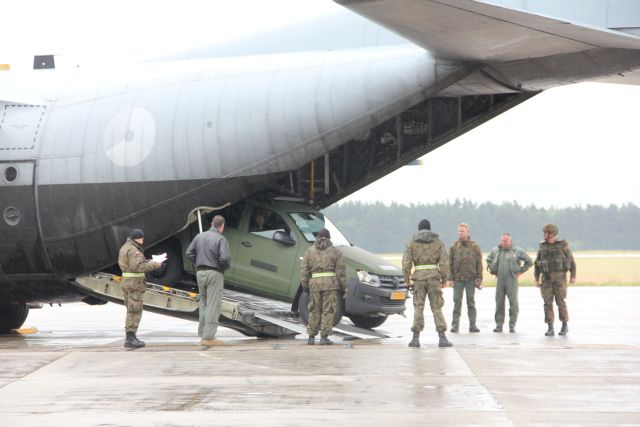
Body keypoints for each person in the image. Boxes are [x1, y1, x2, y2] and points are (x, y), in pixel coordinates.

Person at [402, 219, 452, 348]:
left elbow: (406, 263)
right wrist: (445, 279)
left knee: (418, 307)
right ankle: (442, 338)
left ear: (419, 229)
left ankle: (415, 339)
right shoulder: (438, 242)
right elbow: (444, 263)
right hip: (434, 278)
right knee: (436, 307)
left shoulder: (412, 243)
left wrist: (407, 280)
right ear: (430, 229)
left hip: (418, 279)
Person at [186, 215, 231, 346]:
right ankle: (209, 337)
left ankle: (202, 333)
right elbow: (224, 259)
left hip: (200, 273)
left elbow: (189, 253)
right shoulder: (221, 238)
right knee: (213, 304)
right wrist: (224, 267)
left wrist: (198, 262)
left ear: (212, 223)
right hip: (214, 273)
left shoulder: (199, 236)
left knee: (204, 303)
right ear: (222, 226)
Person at [300, 228, 347, 345]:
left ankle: (311, 337)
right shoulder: (336, 252)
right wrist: (344, 287)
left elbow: (304, 270)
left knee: (313, 310)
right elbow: (340, 272)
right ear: (329, 238)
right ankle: (324, 337)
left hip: (314, 285)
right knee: (328, 310)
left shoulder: (309, 251)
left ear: (317, 237)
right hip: (330, 285)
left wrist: (305, 286)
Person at [118, 228, 163, 348]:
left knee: (131, 308)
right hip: (134, 284)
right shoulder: (134, 251)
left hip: (128, 283)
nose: (143, 240)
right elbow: (137, 267)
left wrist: (147, 261)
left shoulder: (125, 247)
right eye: (142, 238)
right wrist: (155, 265)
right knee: (135, 310)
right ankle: (130, 338)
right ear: (138, 238)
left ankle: (131, 336)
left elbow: (131, 264)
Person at [534, 224, 577, 336]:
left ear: (552, 233)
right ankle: (550, 327)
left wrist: (573, 275)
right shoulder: (542, 247)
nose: (543, 234)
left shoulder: (563, 246)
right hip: (546, 279)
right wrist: (536, 279)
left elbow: (571, 261)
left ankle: (564, 325)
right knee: (547, 304)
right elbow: (537, 264)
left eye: (546, 232)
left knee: (560, 302)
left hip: (560, 280)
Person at [486, 233, 533, 333]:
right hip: (500, 280)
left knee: (513, 303)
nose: (503, 243)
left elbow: (529, 261)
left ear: (510, 241)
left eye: (506, 241)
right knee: (499, 303)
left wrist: (521, 271)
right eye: (502, 240)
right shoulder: (496, 250)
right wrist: (492, 268)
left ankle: (512, 325)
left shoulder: (517, 251)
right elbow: (488, 259)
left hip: (511, 279)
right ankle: (499, 325)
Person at [448, 223, 483, 333]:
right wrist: (450, 278)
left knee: (470, 302)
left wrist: (479, 278)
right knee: (457, 302)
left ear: (467, 232)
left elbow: (479, 263)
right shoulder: (454, 246)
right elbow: (450, 263)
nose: (460, 233)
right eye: (459, 231)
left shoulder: (474, 246)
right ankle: (455, 325)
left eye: (462, 231)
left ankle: (472, 325)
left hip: (470, 279)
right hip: (458, 279)